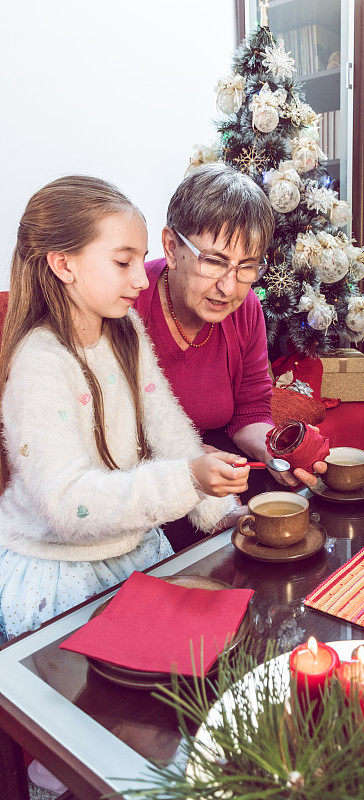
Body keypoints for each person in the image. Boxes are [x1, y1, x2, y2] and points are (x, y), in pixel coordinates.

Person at [0, 174, 250, 647]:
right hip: (60, 572)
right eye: (123, 262)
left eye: (140, 260)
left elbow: (167, 424)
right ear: (63, 264)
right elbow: (69, 506)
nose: (142, 278)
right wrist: (189, 479)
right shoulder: (39, 364)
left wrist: (219, 508)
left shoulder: (125, 329)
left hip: (134, 550)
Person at [135, 163, 327, 520]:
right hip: (143, 479)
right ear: (172, 247)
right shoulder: (130, 302)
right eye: (214, 262)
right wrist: (186, 461)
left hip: (210, 463)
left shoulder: (245, 308)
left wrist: (275, 451)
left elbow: (250, 410)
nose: (229, 287)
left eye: (247, 267)